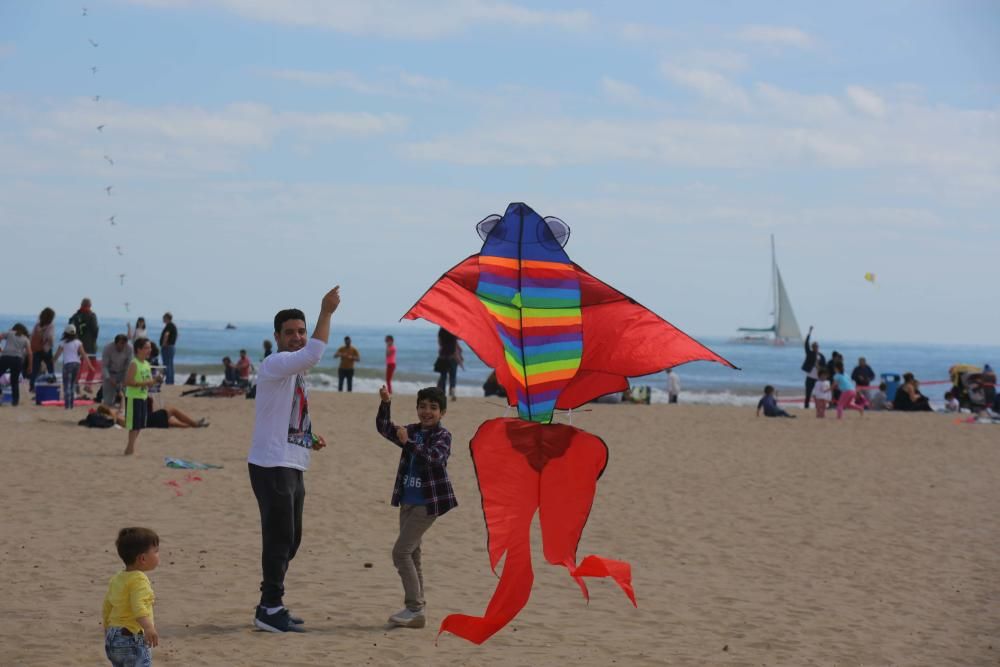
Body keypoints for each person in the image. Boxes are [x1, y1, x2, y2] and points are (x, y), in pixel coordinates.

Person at [248, 286, 340, 633]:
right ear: (277, 337)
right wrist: (326, 312)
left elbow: (286, 412)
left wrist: (308, 437)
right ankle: (270, 607)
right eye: (291, 332)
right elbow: (314, 353)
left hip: (292, 460)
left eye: (301, 331)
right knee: (278, 537)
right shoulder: (276, 363)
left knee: (292, 539)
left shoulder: (293, 371)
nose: (298, 337)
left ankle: (269, 602)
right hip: (271, 464)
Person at [375, 384, 457, 629]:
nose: (427, 411)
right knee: (413, 554)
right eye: (422, 406)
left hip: (428, 504)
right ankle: (418, 608)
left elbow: (435, 458)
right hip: (407, 501)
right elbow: (384, 428)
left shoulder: (443, 436)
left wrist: (408, 444)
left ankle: (413, 607)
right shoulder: (412, 430)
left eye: (433, 408)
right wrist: (385, 403)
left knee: (400, 553)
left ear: (442, 412)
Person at [103, 527, 160, 666]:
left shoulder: (117, 578)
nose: (158, 555)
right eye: (156, 551)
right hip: (132, 637)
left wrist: (107, 629)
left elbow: (107, 606)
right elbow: (138, 606)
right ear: (143, 558)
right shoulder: (139, 579)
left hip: (114, 637)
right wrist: (148, 627)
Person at [123, 337, 157, 456]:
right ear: (139, 349)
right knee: (133, 425)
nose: (149, 350)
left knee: (140, 425)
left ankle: (130, 447)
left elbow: (149, 381)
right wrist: (146, 383)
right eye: (146, 348)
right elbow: (128, 382)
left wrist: (156, 380)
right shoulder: (134, 363)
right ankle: (130, 448)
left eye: (150, 347)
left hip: (143, 396)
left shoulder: (147, 364)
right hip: (133, 397)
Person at [97, 400, 209, 429]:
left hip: (147, 421)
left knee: (171, 423)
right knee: (172, 410)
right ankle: (194, 423)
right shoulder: (116, 417)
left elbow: (121, 409)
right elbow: (127, 424)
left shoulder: (117, 415)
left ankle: (191, 426)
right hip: (146, 420)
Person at [53, 324, 91, 409]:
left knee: (67, 385)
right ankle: (72, 405)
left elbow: (57, 355)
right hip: (77, 364)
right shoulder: (78, 342)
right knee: (73, 384)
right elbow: (84, 354)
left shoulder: (63, 343)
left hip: (68, 365)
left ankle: (68, 406)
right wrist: (90, 365)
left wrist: (52, 362)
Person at [69, 298, 100, 394]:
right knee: (93, 365)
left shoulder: (74, 316)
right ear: (89, 305)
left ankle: (75, 384)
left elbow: (70, 329)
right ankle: (88, 384)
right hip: (90, 345)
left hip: (77, 344)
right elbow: (95, 329)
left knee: (79, 365)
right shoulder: (92, 316)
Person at [0, 324, 32, 406]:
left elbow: (0, 336)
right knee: (14, 381)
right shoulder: (25, 339)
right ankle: (15, 402)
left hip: (6, 357)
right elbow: (30, 353)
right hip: (17, 360)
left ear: (15, 328)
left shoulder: (10, 333)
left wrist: (0, 349)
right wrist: (30, 366)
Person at [101, 334, 133, 407]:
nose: (122, 347)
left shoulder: (129, 348)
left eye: (124, 344)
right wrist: (109, 378)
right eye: (121, 344)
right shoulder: (107, 348)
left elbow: (129, 365)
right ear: (115, 343)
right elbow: (104, 366)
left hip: (123, 372)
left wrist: (126, 379)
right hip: (110, 372)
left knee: (127, 397)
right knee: (108, 400)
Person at [29, 307, 56, 391]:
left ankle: (32, 386)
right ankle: (53, 383)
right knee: (50, 367)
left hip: (37, 349)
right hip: (46, 349)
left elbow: (32, 336)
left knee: (35, 369)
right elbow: (50, 337)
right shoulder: (50, 326)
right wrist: (51, 344)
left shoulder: (37, 325)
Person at [800, 326, 826, 408]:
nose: (815, 347)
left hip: (818, 378)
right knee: (808, 393)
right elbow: (806, 344)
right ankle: (806, 407)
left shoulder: (821, 356)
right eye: (814, 346)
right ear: (812, 347)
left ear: (818, 347)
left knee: (819, 393)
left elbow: (824, 367)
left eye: (816, 346)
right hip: (810, 377)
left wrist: (819, 368)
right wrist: (809, 332)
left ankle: (818, 406)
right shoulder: (810, 353)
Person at [435, 328, 464, 401]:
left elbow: (440, 343)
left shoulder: (441, 330)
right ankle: (452, 392)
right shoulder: (453, 330)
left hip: (443, 356)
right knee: (453, 376)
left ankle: (442, 393)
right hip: (452, 357)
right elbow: (459, 339)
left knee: (443, 376)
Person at [159, 313, 178, 385]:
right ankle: (170, 381)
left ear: (167, 318)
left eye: (164, 318)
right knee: (170, 364)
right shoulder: (173, 326)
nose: (163, 319)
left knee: (167, 364)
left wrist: (164, 344)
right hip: (171, 346)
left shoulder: (169, 325)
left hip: (168, 347)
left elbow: (166, 334)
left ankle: (169, 381)